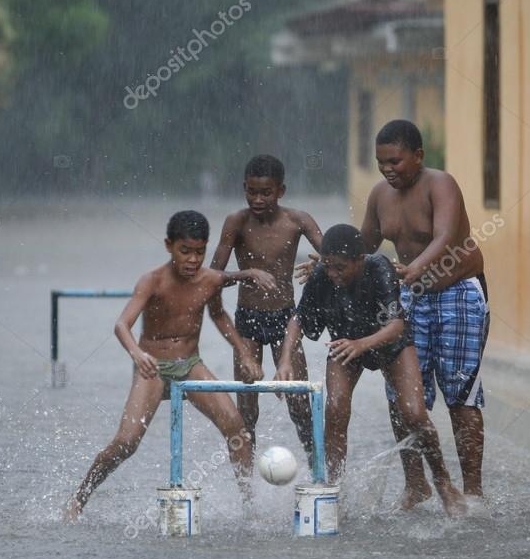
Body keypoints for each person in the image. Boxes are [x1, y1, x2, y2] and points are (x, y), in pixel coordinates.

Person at [64, 210, 262, 521]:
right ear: (169, 245)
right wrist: (137, 354)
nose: (192, 260)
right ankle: (79, 498)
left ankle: (251, 507)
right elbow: (121, 325)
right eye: (185, 251)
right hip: (152, 368)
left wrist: (245, 354)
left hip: (190, 364)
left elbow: (219, 315)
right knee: (126, 442)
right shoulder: (152, 281)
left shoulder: (210, 280)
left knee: (237, 428)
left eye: (199, 252)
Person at [275, 224, 467, 517]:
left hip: (389, 343)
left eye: (341, 268)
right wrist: (285, 360)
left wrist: (362, 344)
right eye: (328, 266)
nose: (334, 274)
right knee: (335, 409)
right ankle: (334, 489)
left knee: (414, 413)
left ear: (360, 260)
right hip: (346, 344)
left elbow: (397, 325)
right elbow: (298, 320)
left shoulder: (379, 269)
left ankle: (442, 482)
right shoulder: (322, 275)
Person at [362, 119, 489, 507]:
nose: (388, 169)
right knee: (403, 396)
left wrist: (417, 267)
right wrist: (330, 261)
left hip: (459, 293)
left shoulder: (441, 183)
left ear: (418, 156)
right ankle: (416, 485)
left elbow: (445, 236)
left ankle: (472, 490)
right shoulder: (379, 195)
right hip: (409, 297)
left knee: (461, 395)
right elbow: (364, 247)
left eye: (396, 161)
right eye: (382, 162)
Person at [210, 154, 323, 466]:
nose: (258, 199)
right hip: (247, 321)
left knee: (299, 404)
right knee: (246, 412)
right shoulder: (236, 222)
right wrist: (247, 274)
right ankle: (248, 498)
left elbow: (336, 258)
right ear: (244, 188)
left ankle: (320, 475)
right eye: (251, 192)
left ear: (281, 191)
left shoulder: (297, 221)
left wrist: (320, 265)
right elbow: (212, 278)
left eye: (266, 193)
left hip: (286, 318)